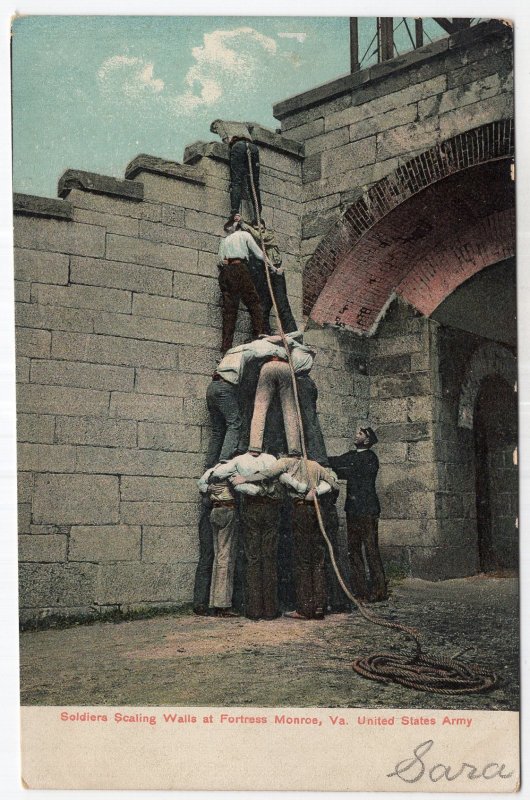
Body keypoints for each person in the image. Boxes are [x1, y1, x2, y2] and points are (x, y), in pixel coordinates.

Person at [237, 456, 338, 620]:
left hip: (300, 509)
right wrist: (317, 491)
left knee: (303, 560)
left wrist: (245, 478)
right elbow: (333, 483)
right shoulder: (315, 465)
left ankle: (305, 609)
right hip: (317, 511)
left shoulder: (285, 463)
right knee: (317, 560)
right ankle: (319, 606)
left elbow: (267, 474)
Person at [213, 452, 283, 620]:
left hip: (251, 508)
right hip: (270, 509)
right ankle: (270, 610)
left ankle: (253, 610)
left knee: (252, 558)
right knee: (269, 557)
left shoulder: (239, 461)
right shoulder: (272, 460)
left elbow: (218, 474)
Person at [329, 426, 388, 603]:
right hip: (353, 509)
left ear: (368, 440)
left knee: (370, 549)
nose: (356, 435)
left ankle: (379, 590)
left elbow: (351, 471)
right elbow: (336, 462)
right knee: (353, 549)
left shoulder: (371, 458)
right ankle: (360, 590)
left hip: (367, 510)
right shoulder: (351, 456)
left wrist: (341, 468)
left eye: (360, 434)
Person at [248, 334, 315, 456]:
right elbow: (297, 334)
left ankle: (254, 447)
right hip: (285, 367)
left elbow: (254, 355)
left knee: (260, 408)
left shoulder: (261, 343)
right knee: (290, 409)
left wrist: (266, 338)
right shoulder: (288, 342)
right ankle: (294, 449)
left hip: (267, 366)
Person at [217, 216, 265, 354]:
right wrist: (273, 267)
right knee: (254, 303)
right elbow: (259, 254)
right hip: (240, 269)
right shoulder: (244, 235)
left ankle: (226, 347)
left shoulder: (224, 241)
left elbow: (220, 261)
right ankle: (259, 335)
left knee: (229, 312)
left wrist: (227, 262)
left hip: (226, 272)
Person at [241, 218, 297, 335]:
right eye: (257, 229)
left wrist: (244, 224)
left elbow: (260, 237)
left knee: (282, 305)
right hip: (263, 275)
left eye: (262, 229)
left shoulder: (269, 236)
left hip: (275, 273)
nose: (260, 231)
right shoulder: (252, 242)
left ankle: (291, 332)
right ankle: (264, 332)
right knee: (263, 306)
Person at [210, 120, 262, 224]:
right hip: (253, 147)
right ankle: (258, 215)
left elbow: (226, 142)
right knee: (255, 185)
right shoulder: (242, 125)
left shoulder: (221, 125)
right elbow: (252, 125)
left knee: (236, 181)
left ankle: (235, 212)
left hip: (238, 147)